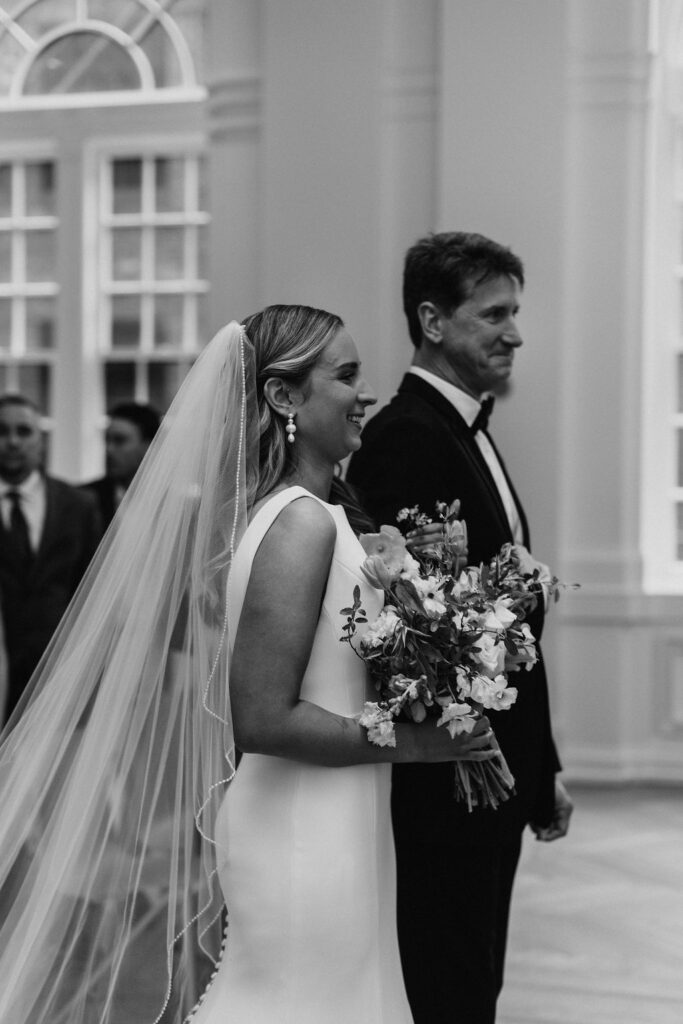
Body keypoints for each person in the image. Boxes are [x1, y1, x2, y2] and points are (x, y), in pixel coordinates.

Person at [0, 305, 496, 1024]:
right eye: (346, 376)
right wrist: (421, 742)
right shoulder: (296, 521)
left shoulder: (317, 515)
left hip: (340, 811)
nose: (366, 394)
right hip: (300, 824)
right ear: (282, 396)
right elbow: (262, 716)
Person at [347, 233, 573, 1024]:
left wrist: (539, 763)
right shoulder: (408, 436)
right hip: (448, 772)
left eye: (515, 313)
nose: (513, 333)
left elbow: (504, 626)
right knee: (449, 977)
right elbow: (413, 626)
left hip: (494, 762)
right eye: (494, 314)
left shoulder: (464, 428)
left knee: (474, 969)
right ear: (432, 321)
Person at [0, 394, 102, 724]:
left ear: (41, 440)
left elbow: (92, 590)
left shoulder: (79, 505)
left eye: (23, 431)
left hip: (59, 675)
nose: (12, 442)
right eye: (2, 431)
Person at [82, 401, 161, 528]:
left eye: (120, 440)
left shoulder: (174, 503)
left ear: (149, 446)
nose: (109, 449)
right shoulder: (85, 498)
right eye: (107, 440)